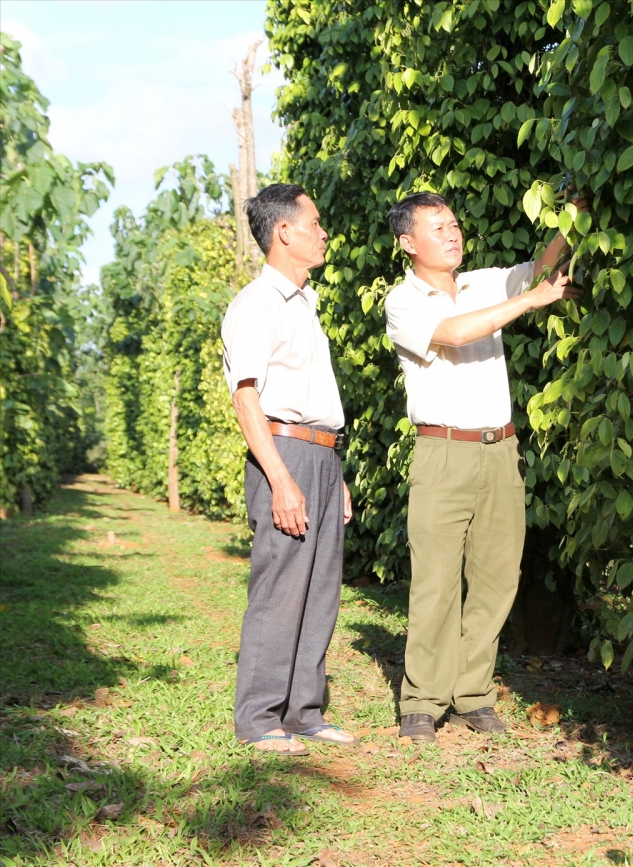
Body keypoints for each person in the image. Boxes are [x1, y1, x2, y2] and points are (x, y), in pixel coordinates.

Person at [384, 191, 582, 743]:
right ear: (408, 243)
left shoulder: (482, 282)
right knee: (436, 582)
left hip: (500, 451)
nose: (452, 233)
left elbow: (539, 269)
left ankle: (473, 694)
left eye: (453, 224)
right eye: (437, 227)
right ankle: (421, 701)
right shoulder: (404, 300)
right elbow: (453, 333)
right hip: (443, 452)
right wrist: (531, 302)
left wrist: (573, 219)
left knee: (497, 578)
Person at [222, 183, 355, 755]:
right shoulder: (256, 304)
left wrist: (336, 472)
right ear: (284, 232)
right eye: (315, 223)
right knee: (280, 588)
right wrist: (280, 479)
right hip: (284, 453)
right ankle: (259, 718)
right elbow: (247, 398)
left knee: (320, 587)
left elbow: (314, 396)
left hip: (321, 453)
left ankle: (303, 710)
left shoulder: (306, 302)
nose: (323, 232)